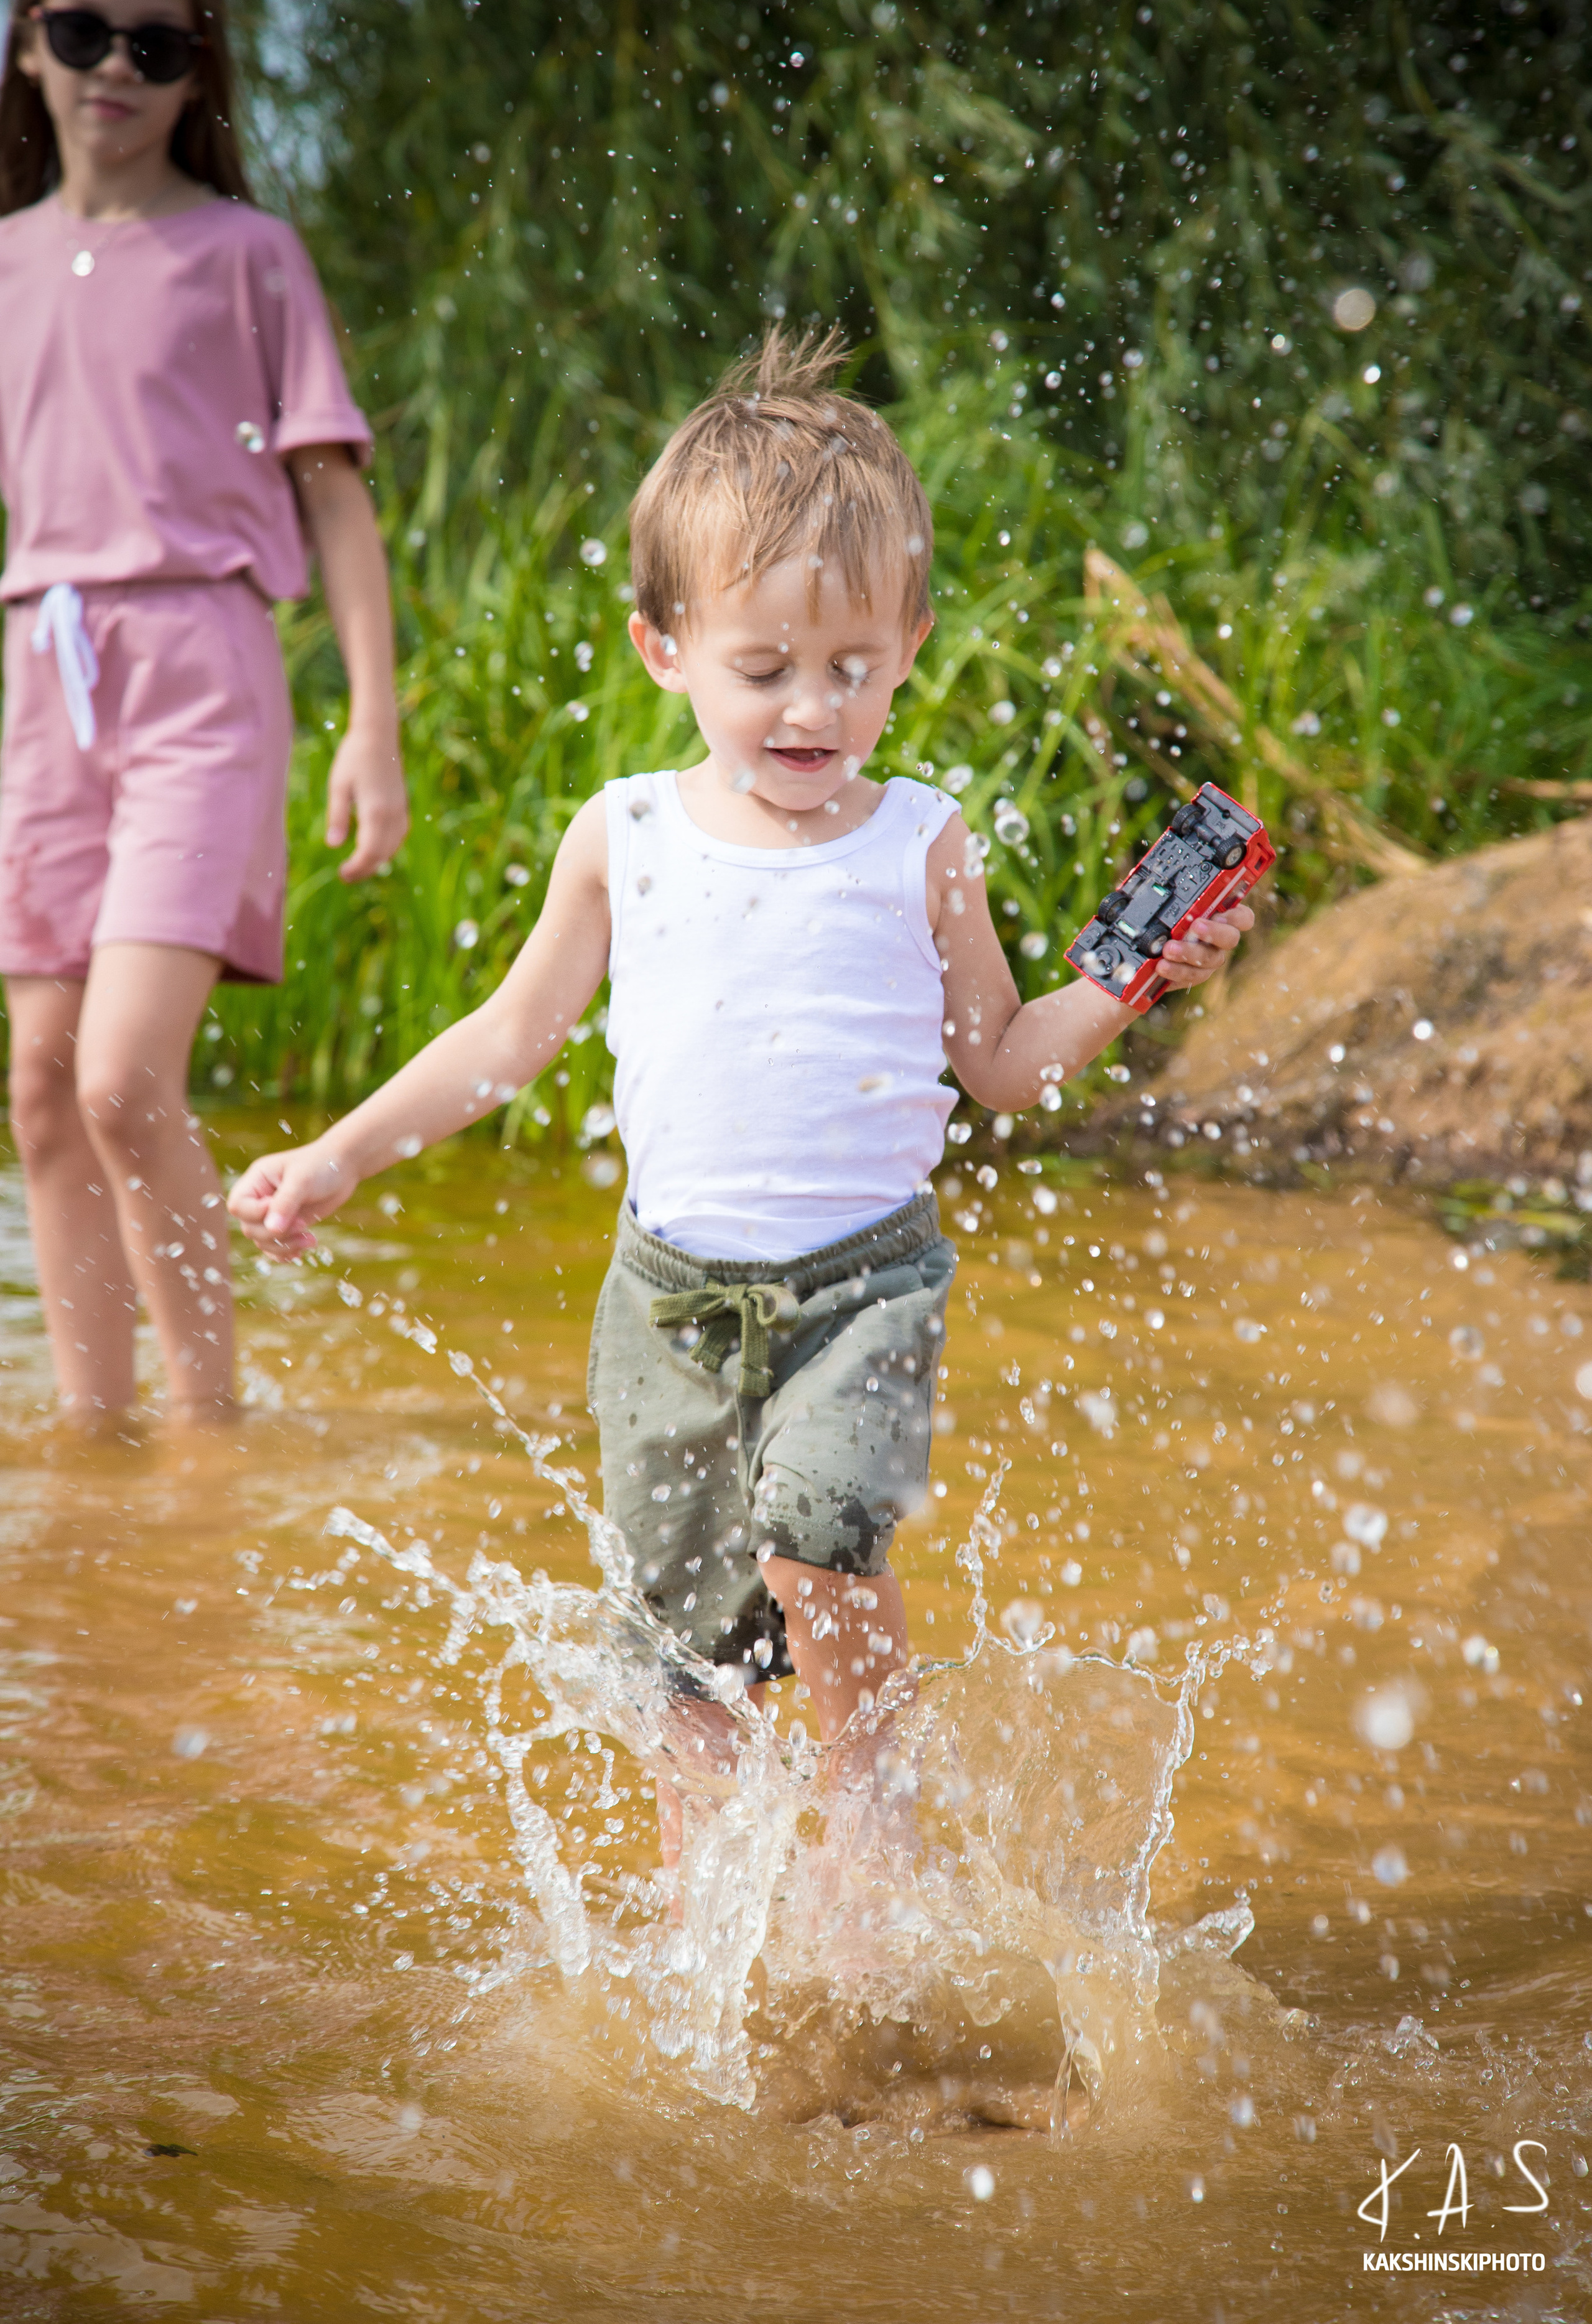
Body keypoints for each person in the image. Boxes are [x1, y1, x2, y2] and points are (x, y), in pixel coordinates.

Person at [229, 328, 1252, 1856]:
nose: (810, 710)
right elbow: (507, 1041)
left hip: (864, 1287)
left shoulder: (921, 839)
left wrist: (1130, 979)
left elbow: (999, 1064)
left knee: (824, 1543)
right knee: (679, 1656)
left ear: (908, 642)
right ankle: (702, 1938)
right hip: (666, 1305)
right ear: (664, 648)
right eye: (763, 669)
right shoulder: (625, 832)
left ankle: (869, 1831)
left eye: (851, 670)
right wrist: (341, 1155)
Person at [0, 0, 407, 1431]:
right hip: (41, 675)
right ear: (30, 41)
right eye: (84, 32)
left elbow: (335, 497)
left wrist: (374, 720)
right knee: (41, 1090)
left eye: (153, 47)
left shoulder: (249, 255)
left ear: (197, 70)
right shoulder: (5, 265)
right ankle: (92, 1450)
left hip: (200, 671)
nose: (115, 69)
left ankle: (206, 1436)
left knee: (118, 1079)